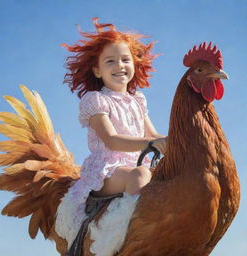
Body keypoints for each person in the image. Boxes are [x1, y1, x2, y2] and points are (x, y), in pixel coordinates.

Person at [56, 18, 167, 236]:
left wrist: (177, 141)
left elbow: (152, 134)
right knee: (140, 176)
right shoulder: (96, 100)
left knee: (163, 176)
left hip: (137, 163)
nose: (119, 66)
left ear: (134, 64)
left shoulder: (138, 100)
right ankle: (127, 231)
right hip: (106, 171)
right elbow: (111, 139)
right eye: (110, 61)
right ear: (97, 71)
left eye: (125, 60)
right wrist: (152, 143)